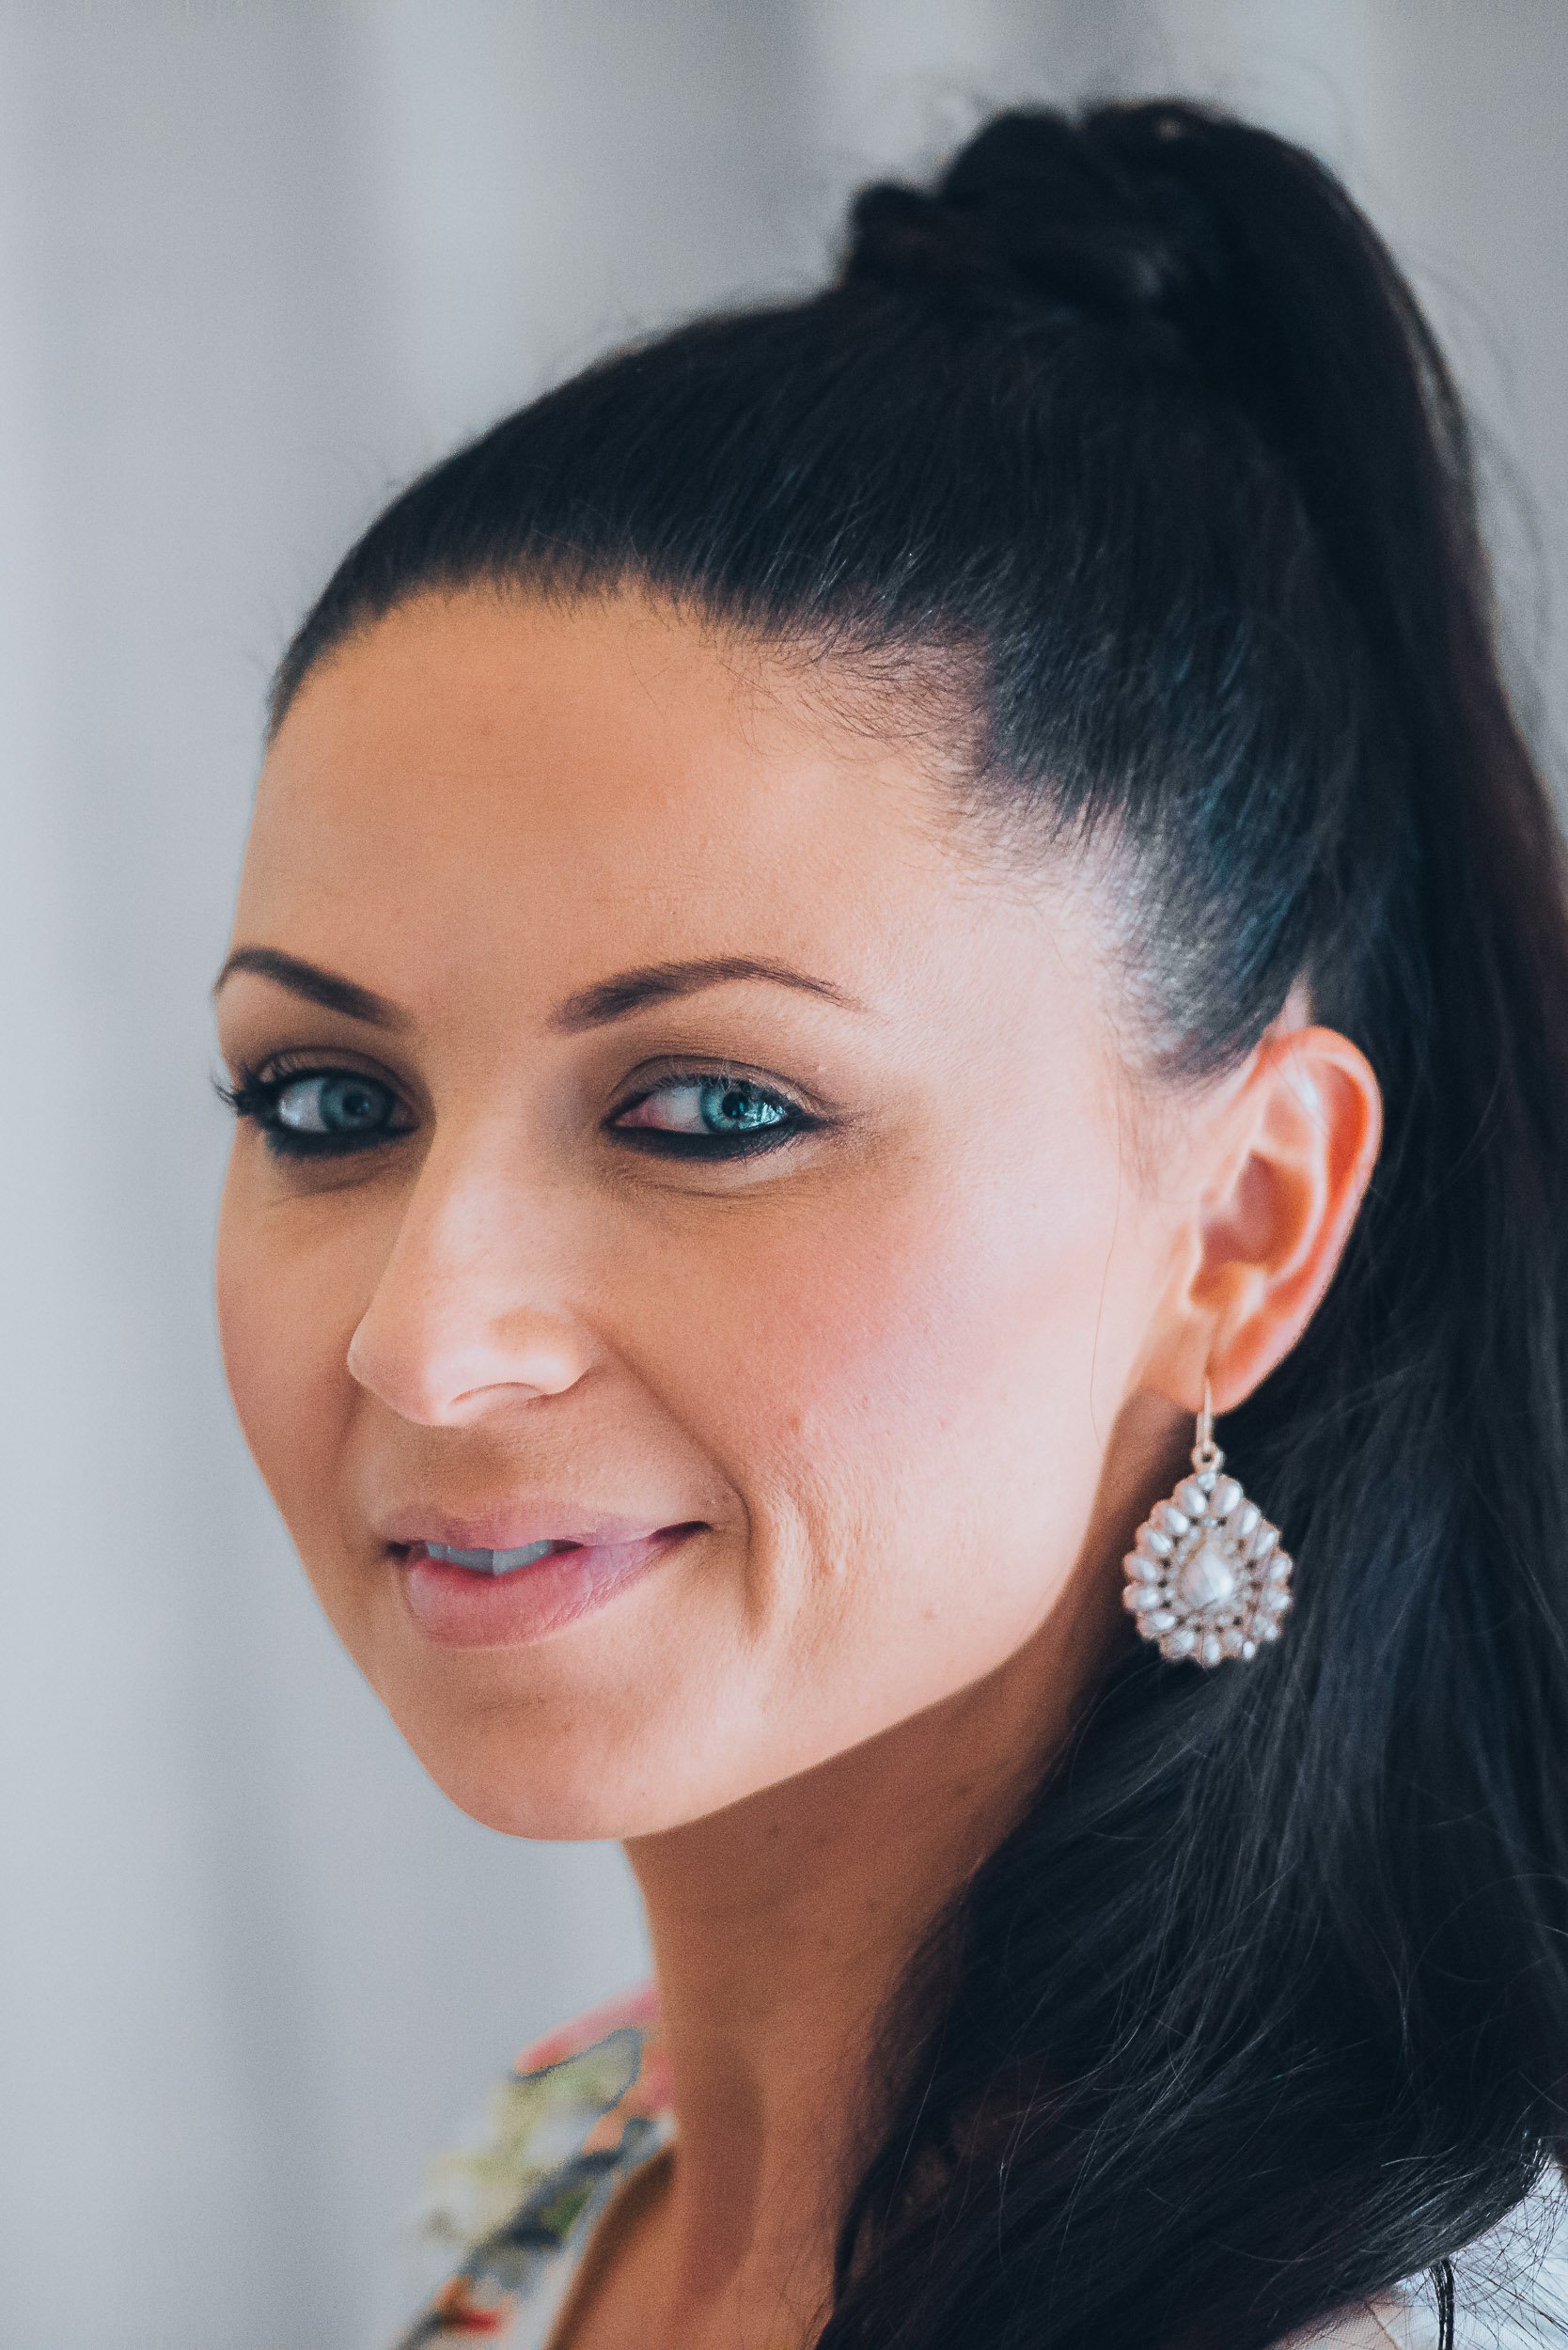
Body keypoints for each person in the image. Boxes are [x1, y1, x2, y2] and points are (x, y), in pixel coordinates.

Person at [210, 98, 1568, 2350]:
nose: (423, 1343)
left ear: (1240, 1225)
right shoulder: (564, 2159)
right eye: (328, 1097)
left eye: (712, 1108)